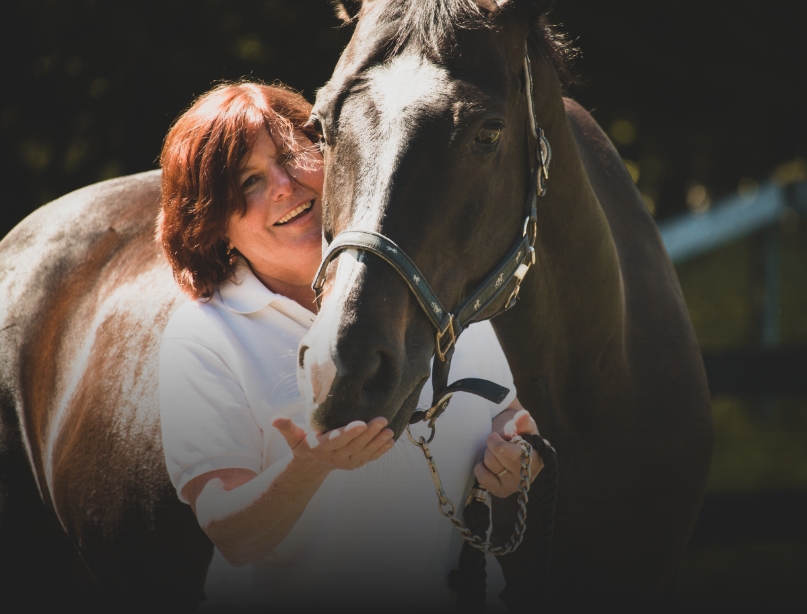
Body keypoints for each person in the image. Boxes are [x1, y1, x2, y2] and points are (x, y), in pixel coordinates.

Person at [156, 82, 543, 610]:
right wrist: (309, 467)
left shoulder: (424, 275)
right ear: (212, 225)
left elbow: (508, 414)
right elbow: (232, 534)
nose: (284, 185)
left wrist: (517, 455)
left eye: (294, 156)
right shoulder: (202, 338)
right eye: (248, 181)